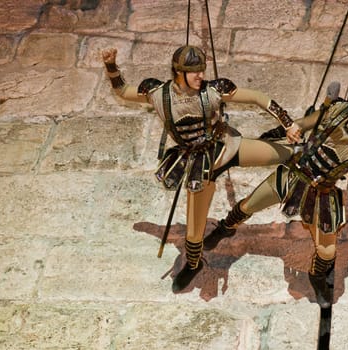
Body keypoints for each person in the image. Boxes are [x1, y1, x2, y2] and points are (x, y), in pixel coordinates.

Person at [203, 82, 348, 308]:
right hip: (295, 174)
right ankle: (224, 229)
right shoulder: (338, 110)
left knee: (327, 250)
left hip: (322, 191)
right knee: (248, 206)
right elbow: (302, 124)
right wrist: (285, 133)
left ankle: (317, 277)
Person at [101, 45, 301, 292]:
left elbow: (257, 97)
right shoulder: (159, 93)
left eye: (202, 71)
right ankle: (194, 263)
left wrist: (289, 124)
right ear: (178, 72)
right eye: (194, 72)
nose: (200, 77)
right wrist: (111, 66)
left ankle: (239, 217)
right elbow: (122, 91)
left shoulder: (213, 90)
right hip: (198, 165)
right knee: (194, 231)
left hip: (225, 147)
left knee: (293, 156)